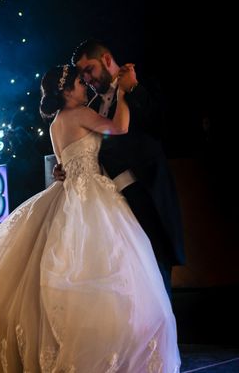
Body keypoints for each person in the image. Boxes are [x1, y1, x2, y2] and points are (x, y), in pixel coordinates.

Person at [0, 64, 180, 373]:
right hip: (91, 193)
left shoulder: (54, 125)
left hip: (66, 193)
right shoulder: (80, 114)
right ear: (66, 91)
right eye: (79, 82)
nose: (85, 86)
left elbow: (63, 163)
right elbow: (118, 128)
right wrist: (122, 94)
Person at [65, 39, 186, 298]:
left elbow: (164, 127)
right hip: (110, 203)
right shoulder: (92, 109)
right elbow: (88, 153)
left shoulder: (143, 85)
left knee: (155, 268)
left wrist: (134, 90)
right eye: (82, 74)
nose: (86, 79)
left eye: (89, 70)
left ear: (107, 60)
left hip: (147, 196)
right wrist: (67, 169)